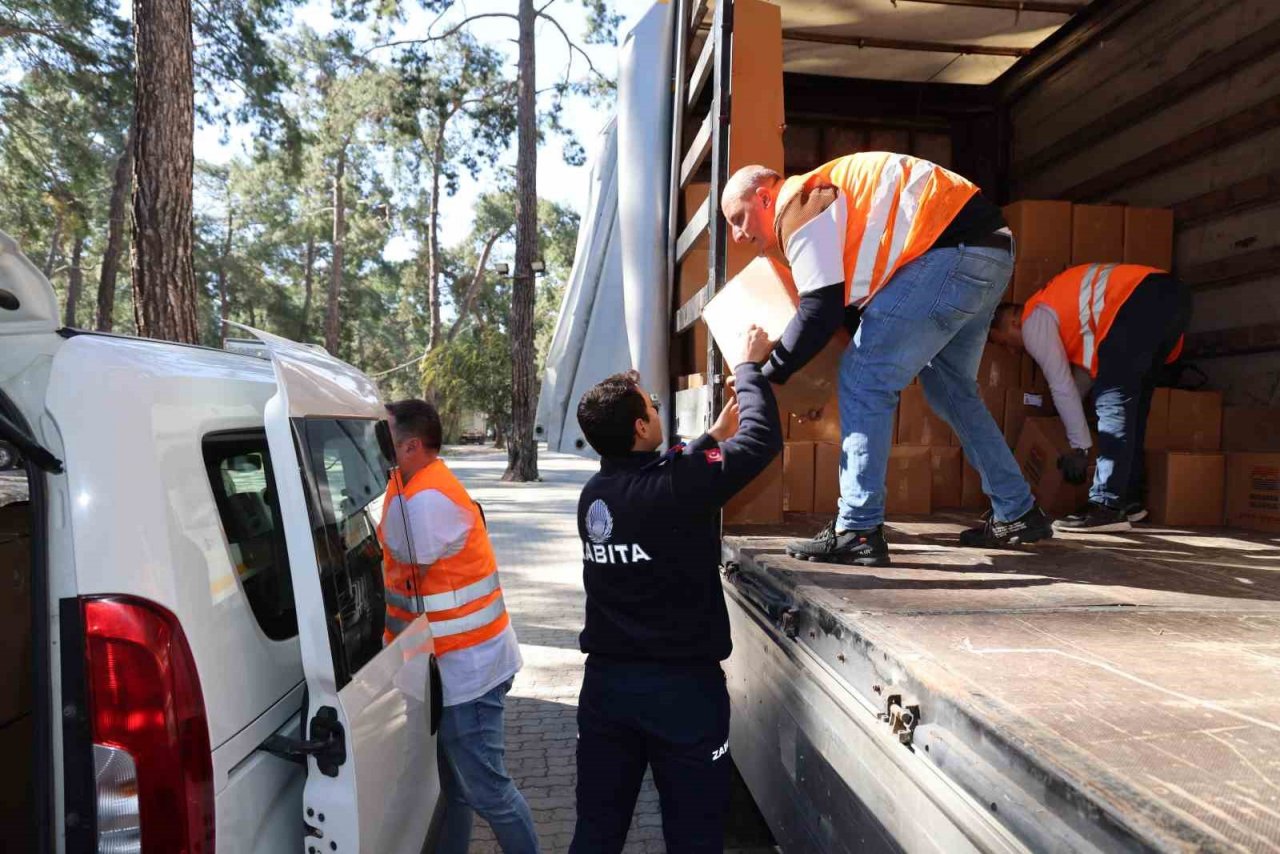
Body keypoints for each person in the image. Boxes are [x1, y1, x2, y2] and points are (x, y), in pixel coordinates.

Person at [720, 154, 1052, 565]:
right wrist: (809, 388)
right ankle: (1017, 511)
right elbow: (842, 317)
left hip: (948, 252)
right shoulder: (822, 204)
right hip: (989, 252)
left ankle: (857, 528)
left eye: (738, 218)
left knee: (865, 381)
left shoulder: (799, 204)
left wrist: (767, 377)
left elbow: (819, 311)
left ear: (764, 196)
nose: (736, 235)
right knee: (949, 390)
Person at [568, 325, 782, 854]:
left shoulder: (595, 497)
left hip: (607, 691)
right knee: (694, 837)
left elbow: (664, 478)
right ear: (642, 427)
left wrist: (709, 438)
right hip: (682, 694)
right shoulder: (676, 488)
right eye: (652, 405)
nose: (660, 409)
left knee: (596, 833)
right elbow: (760, 443)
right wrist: (751, 367)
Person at [377, 399, 538, 854]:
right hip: (452, 665)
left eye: (383, 434)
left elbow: (397, 545)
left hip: (468, 671)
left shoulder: (427, 501)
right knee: (458, 789)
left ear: (409, 446)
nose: (375, 442)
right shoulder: (411, 484)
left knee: (490, 792)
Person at [988, 264, 1190, 532]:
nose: (1012, 352)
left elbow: (1062, 385)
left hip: (1135, 301)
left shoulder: (1033, 320)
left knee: (1112, 401)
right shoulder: (1067, 313)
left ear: (1014, 323)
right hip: (1171, 298)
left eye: (1003, 342)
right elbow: (1081, 379)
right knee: (1133, 406)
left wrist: (1079, 448)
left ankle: (1106, 504)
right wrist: (1060, 426)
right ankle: (1128, 499)